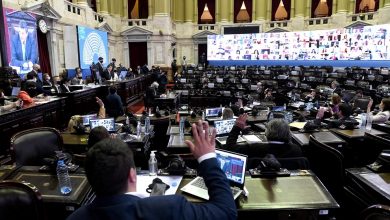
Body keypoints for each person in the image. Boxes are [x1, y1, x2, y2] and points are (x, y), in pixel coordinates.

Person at [67, 120, 237, 220]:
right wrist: (207, 158)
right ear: (132, 175)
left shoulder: (75, 218)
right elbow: (226, 211)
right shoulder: (168, 208)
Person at [225, 114, 302, 159]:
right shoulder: (296, 150)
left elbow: (230, 148)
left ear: (267, 132)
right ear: (288, 133)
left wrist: (237, 128)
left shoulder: (254, 148)